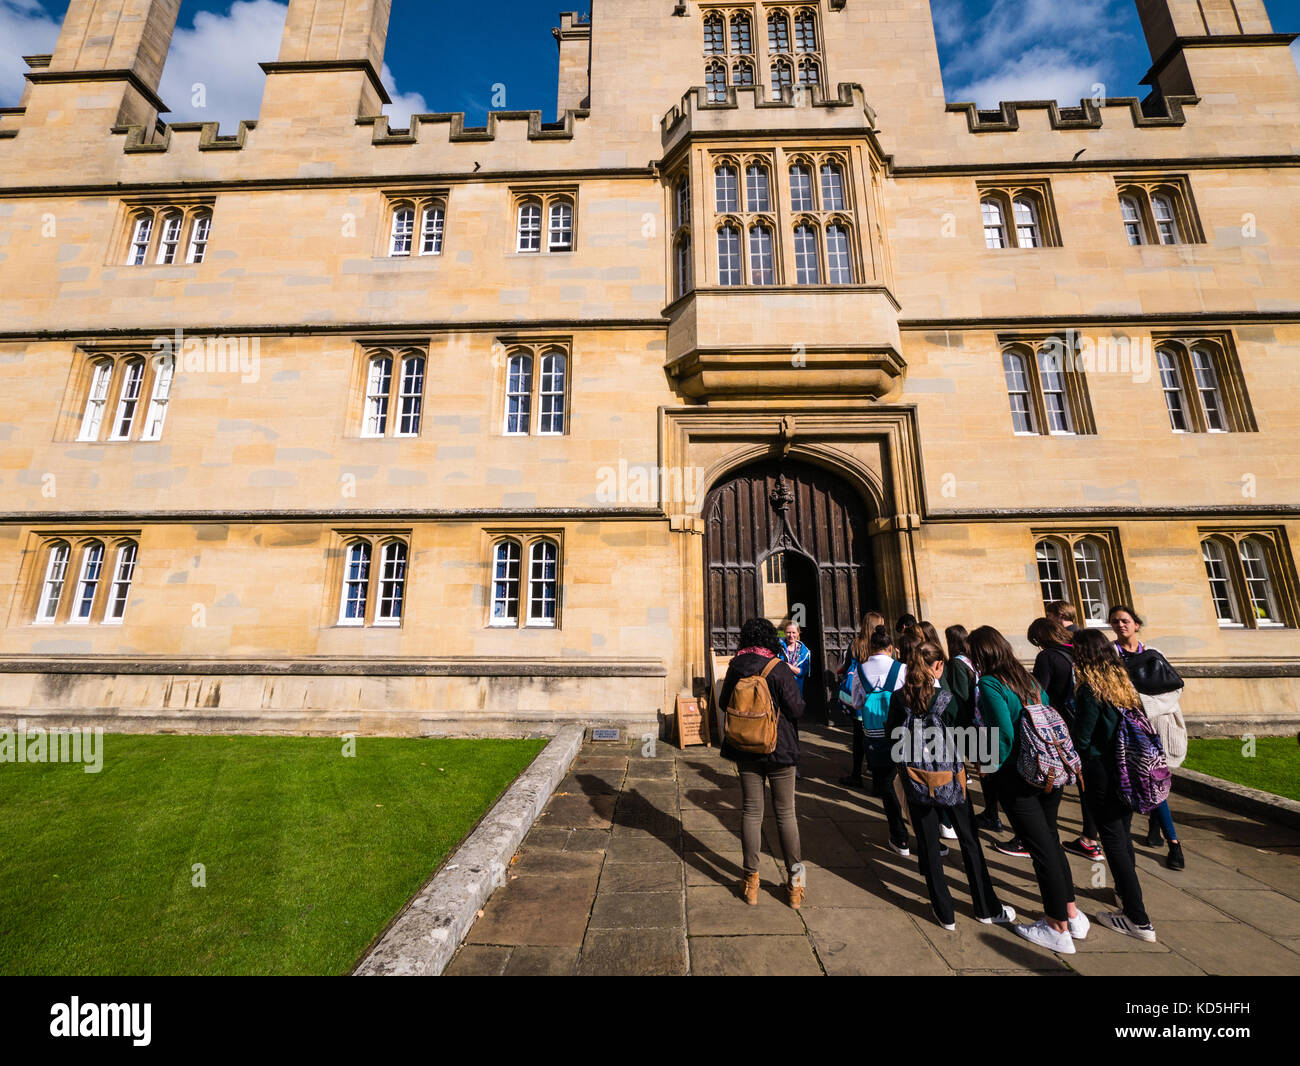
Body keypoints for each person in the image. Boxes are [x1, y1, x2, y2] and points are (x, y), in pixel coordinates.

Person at [969, 625, 1090, 955]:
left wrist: (989, 766)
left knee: (1041, 849)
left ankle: (1055, 927)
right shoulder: (1029, 680)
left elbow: (1004, 734)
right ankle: (1071, 912)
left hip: (1020, 776)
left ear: (981, 655)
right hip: (1051, 771)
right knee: (1050, 840)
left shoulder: (991, 683)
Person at [888, 640, 1017, 930]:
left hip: (917, 781)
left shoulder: (899, 699)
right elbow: (965, 736)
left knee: (929, 845)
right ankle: (985, 907)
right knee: (969, 841)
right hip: (952, 781)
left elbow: (892, 739)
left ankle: (944, 912)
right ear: (937, 666)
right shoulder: (948, 699)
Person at [1068, 629, 1158, 942]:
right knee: (1122, 835)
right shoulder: (1122, 682)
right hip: (1127, 769)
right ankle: (1124, 894)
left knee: (1114, 841)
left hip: (1103, 772)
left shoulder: (1091, 688)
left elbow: (1083, 738)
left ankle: (1137, 918)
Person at [718, 617, 807, 908]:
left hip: (745, 748)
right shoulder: (778, 667)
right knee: (785, 814)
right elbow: (797, 708)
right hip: (779, 749)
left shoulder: (736, 666)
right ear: (770, 638)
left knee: (751, 812)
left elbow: (723, 703)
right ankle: (795, 885)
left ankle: (751, 881)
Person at [1109, 605, 1187, 871]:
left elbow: (1174, 688)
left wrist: (1147, 704)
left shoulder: (1155, 653)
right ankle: (1174, 843)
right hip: (1134, 729)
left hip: (1162, 723)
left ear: (1136, 624)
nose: (1121, 625)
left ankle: (1155, 829)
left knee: (1158, 778)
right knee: (1152, 779)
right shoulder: (1111, 654)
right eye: (1115, 622)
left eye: (1125, 621)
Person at [1028, 617, 1104, 863]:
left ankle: (1040, 838)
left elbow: (1039, 692)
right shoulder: (1079, 653)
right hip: (1086, 723)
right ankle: (1090, 839)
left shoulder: (1048, 657)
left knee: (1051, 783)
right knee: (1085, 785)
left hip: (1061, 728)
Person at [840, 626, 912, 855]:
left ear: (870, 647)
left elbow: (857, 703)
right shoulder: (903, 669)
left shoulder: (861, 670)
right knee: (912, 782)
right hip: (903, 733)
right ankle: (928, 833)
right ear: (891, 648)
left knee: (886, 785)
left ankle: (899, 837)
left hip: (875, 735)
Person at [782, 620, 812, 697]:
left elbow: (803, 672)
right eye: (788, 632)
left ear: (798, 633)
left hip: (796, 690)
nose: (791, 635)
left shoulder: (804, 651)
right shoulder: (778, 649)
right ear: (784, 633)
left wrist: (789, 666)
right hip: (781, 688)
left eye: (793, 632)